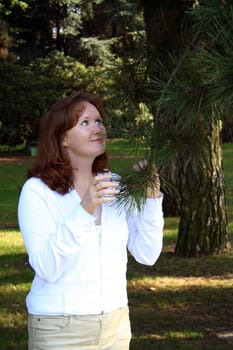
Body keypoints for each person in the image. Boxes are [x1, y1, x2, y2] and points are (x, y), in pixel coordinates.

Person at [18, 91, 164, 350]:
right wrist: (84, 210)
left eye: (99, 121)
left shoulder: (114, 184)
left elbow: (147, 254)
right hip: (60, 329)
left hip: (115, 326)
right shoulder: (37, 191)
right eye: (85, 122)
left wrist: (152, 200)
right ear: (63, 138)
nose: (97, 128)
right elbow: (46, 267)